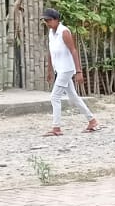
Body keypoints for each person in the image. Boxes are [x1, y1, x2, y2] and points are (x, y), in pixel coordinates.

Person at [41, 8, 99, 136]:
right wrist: (49, 70)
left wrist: (78, 71)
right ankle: (92, 121)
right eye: (45, 21)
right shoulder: (51, 33)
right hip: (59, 69)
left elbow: (73, 50)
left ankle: (56, 128)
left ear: (56, 20)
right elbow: (51, 52)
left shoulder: (64, 32)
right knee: (73, 97)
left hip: (66, 69)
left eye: (49, 20)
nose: (47, 23)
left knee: (55, 97)